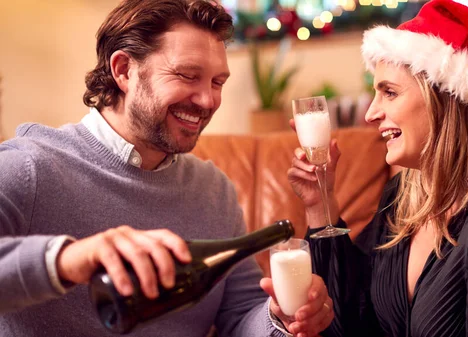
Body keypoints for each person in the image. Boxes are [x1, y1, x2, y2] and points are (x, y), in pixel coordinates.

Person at [0, 0, 333, 336]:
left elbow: (241, 313)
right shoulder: (30, 166)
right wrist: (69, 259)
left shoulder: (213, 189)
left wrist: (282, 317)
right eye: (187, 76)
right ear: (124, 70)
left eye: (217, 83)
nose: (207, 101)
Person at [288, 0, 468, 336]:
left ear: (443, 103)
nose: (371, 113)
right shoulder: (401, 200)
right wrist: (321, 203)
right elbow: (347, 319)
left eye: (389, 92)